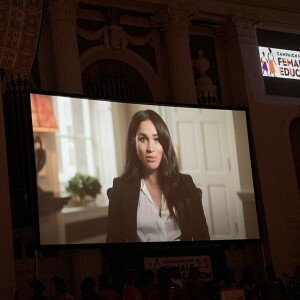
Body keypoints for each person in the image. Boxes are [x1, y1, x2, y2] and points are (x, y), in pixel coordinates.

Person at [106, 109, 209, 242]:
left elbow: (203, 237)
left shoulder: (185, 184)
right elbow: (114, 245)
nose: (150, 148)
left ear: (165, 143)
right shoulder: (121, 188)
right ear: (134, 144)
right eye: (143, 139)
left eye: (156, 139)